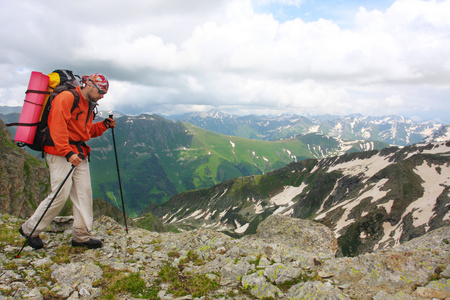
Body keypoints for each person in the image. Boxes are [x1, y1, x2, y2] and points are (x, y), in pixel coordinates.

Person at [19, 73, 115, 249]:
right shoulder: (66, 98)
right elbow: (57, 127)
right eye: (101, 91)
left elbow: (84, 133)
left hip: (78, 153)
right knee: (60, 195)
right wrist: (67, 152)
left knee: (84, 193)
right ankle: (29, 229)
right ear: (90, 86)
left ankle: (81, 236)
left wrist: (104, 126)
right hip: (60, 153)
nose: (102, 96)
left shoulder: (88, 104)